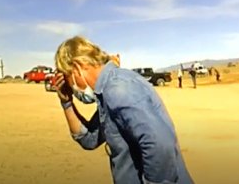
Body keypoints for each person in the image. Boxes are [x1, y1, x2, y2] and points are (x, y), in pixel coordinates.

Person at [53, 35, 194, 184]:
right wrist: (66, 103)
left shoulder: (118, 89)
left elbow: (160, 145)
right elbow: (89, 139)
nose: (71, 86)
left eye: (68, 78)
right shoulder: (106, 94)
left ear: (76, 67)